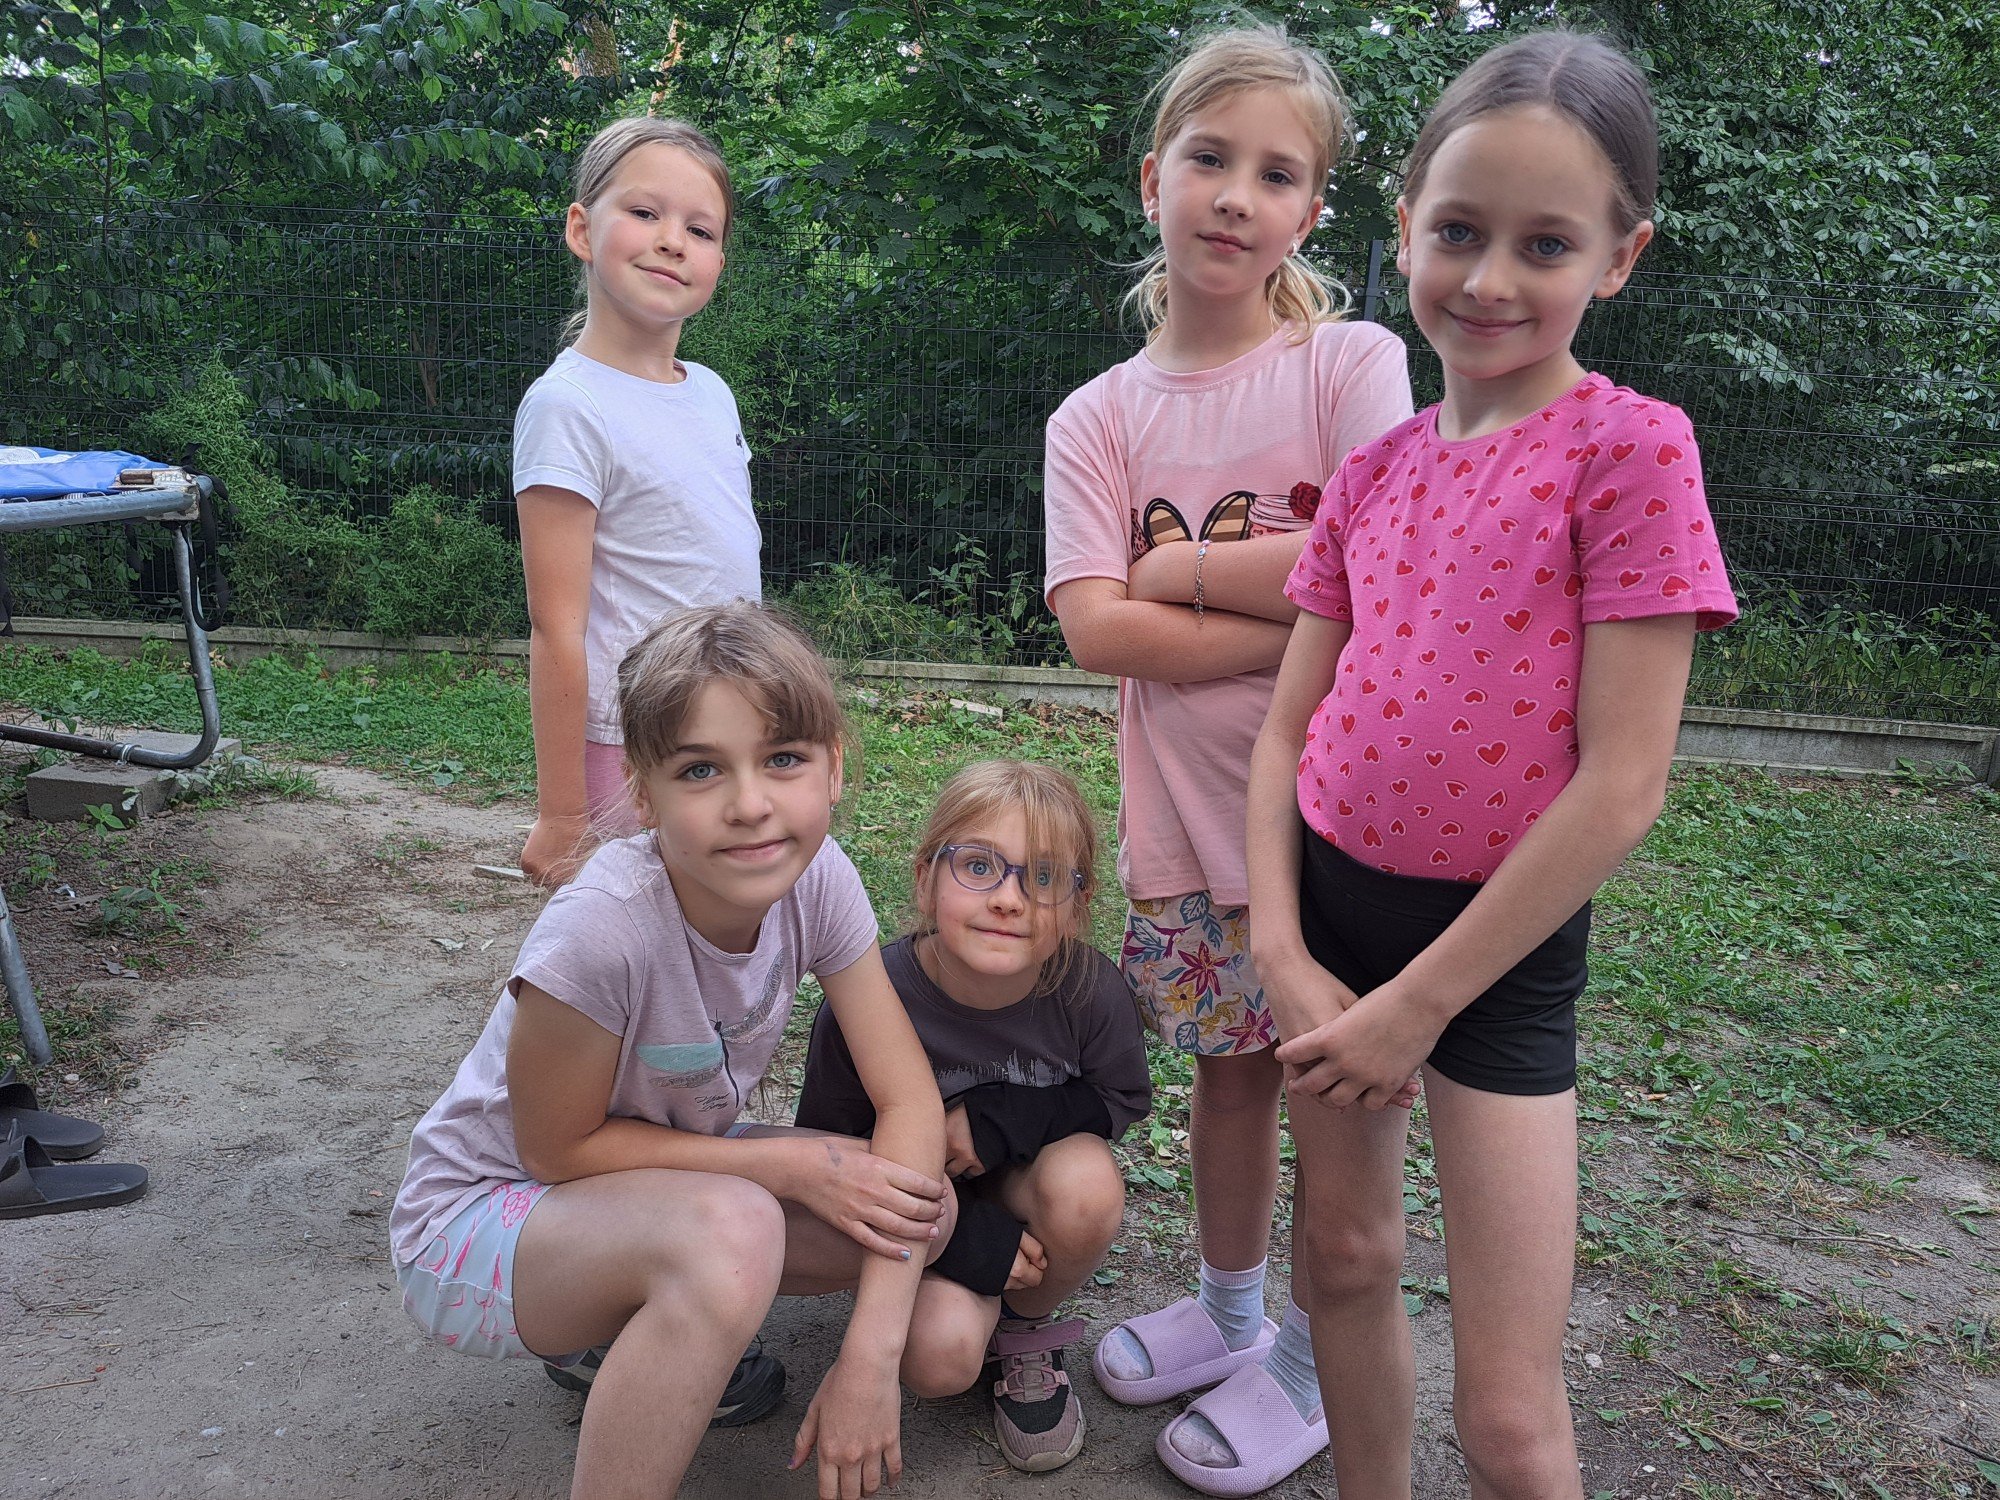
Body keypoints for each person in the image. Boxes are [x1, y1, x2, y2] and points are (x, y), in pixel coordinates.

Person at [1246, 32, 1738, 1498]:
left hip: (1494, 962)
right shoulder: (1372, 471)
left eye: (1546, 244)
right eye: (1458, 231)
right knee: (1342, 1259)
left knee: (1512, 1415)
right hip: (1328, 931)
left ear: (1619, 258)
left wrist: (1418, 1006)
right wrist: (1281, 952)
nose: (1489, 279)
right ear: (1404, 225)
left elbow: (1622, 785)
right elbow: (1284, 733)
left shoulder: (1631, 453)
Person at [1042, 22, 1414, 1496]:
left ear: (1312, 208)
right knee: (1229, 1081)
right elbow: (1092, 629)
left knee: (1331, 1103)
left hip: (1339, 835)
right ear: (1154, 179)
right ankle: (1229, 1312)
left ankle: (1312, 1371)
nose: (1235, 195)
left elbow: (1385, 562)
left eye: (1275, 172)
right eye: (1209, 158)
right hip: (1184, 829)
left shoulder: (1350, 362)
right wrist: (1298, 598)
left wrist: (1178, 575)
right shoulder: (1095, 417)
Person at [390, 602, 950, 1500]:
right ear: (644, 795)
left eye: (783, 758)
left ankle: (639, 1323)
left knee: (914, 1205)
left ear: (835, 766)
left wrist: (870, 1359)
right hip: (478, 1224)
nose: (751, 804)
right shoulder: (602, 928)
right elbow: (556, 1151)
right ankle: (647, 1314)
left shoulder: (820, 879)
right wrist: (795, 1166)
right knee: (734, 1232)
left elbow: (909, 1102)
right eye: (701, 769)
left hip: (636, 1188)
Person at [795, 760, 1151, 1474]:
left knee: (1087, 1186)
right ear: (926, 879)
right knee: (941, 1358)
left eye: (1043, 877)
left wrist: (1003, 1117)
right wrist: (965, 1243)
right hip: (919, 1212)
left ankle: (1024, 1330)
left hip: (1029, 1184)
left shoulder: (1089, 990)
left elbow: (1120, 1100)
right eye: (979, 866)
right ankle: (955, 1299)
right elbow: (829, 1154)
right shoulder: (873, 994)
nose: (1009, 900)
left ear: (1078, 904)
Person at [515, 116, 761, 887]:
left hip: (730, 727)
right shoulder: (569, 405)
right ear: (582, 230)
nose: (672, 241)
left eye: (700, 229)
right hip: (631, 748)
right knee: (635, 940)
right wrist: (562, 816)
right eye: (645, 212)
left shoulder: (712, 393)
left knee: (720, 924)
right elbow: (556, 626)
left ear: (719, 260)